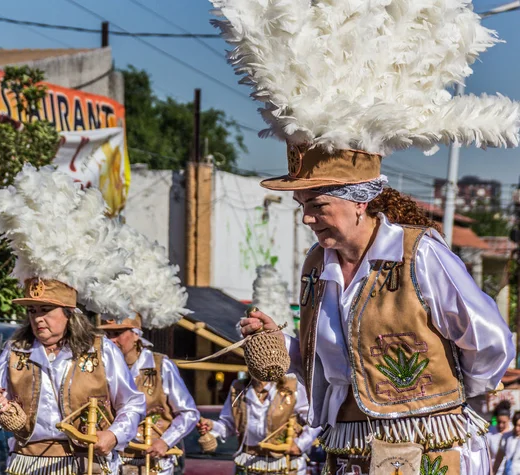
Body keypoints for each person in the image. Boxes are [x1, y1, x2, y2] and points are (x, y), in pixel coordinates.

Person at [209, 0, 519, 473]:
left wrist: (447, 401)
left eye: (317, 206)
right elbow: (327, 362)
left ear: (359, 201)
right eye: (303, 207)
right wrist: (282, 344)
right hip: (346, 450)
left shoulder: (419, 255)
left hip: (424, 448)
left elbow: (490, 340)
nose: (308, 220)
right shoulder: (318, 266)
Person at [0, 164, 146, 475]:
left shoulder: (101, 351)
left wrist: (113, 435)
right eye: (32, 311)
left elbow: (133, 403)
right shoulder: (15, 350)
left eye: (45, 311)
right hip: (26, 463)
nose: (37, 320)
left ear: (69, 314)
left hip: (85, 463)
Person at [92, 224, 197, 474]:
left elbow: (189, 413)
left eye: (118, 333)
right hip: (114, 464)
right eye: (107, 334)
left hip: (154, 466)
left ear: (136, 335)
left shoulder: (161, 366)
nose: (112, 340)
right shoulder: (101, 368)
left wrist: (165, 441)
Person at [198, 374, 321, 475]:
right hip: (248, 464)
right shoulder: (238, 388)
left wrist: (300, 444)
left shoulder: (292, 386)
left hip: (286, 466)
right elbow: (229, 425)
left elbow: (315, 418)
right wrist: (212, 426)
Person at [488, 401, 514, 467]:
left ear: (509, 419)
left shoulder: (514, 431)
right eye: (499, 422)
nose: (501, 425)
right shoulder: (490, 432)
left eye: (504, 422)